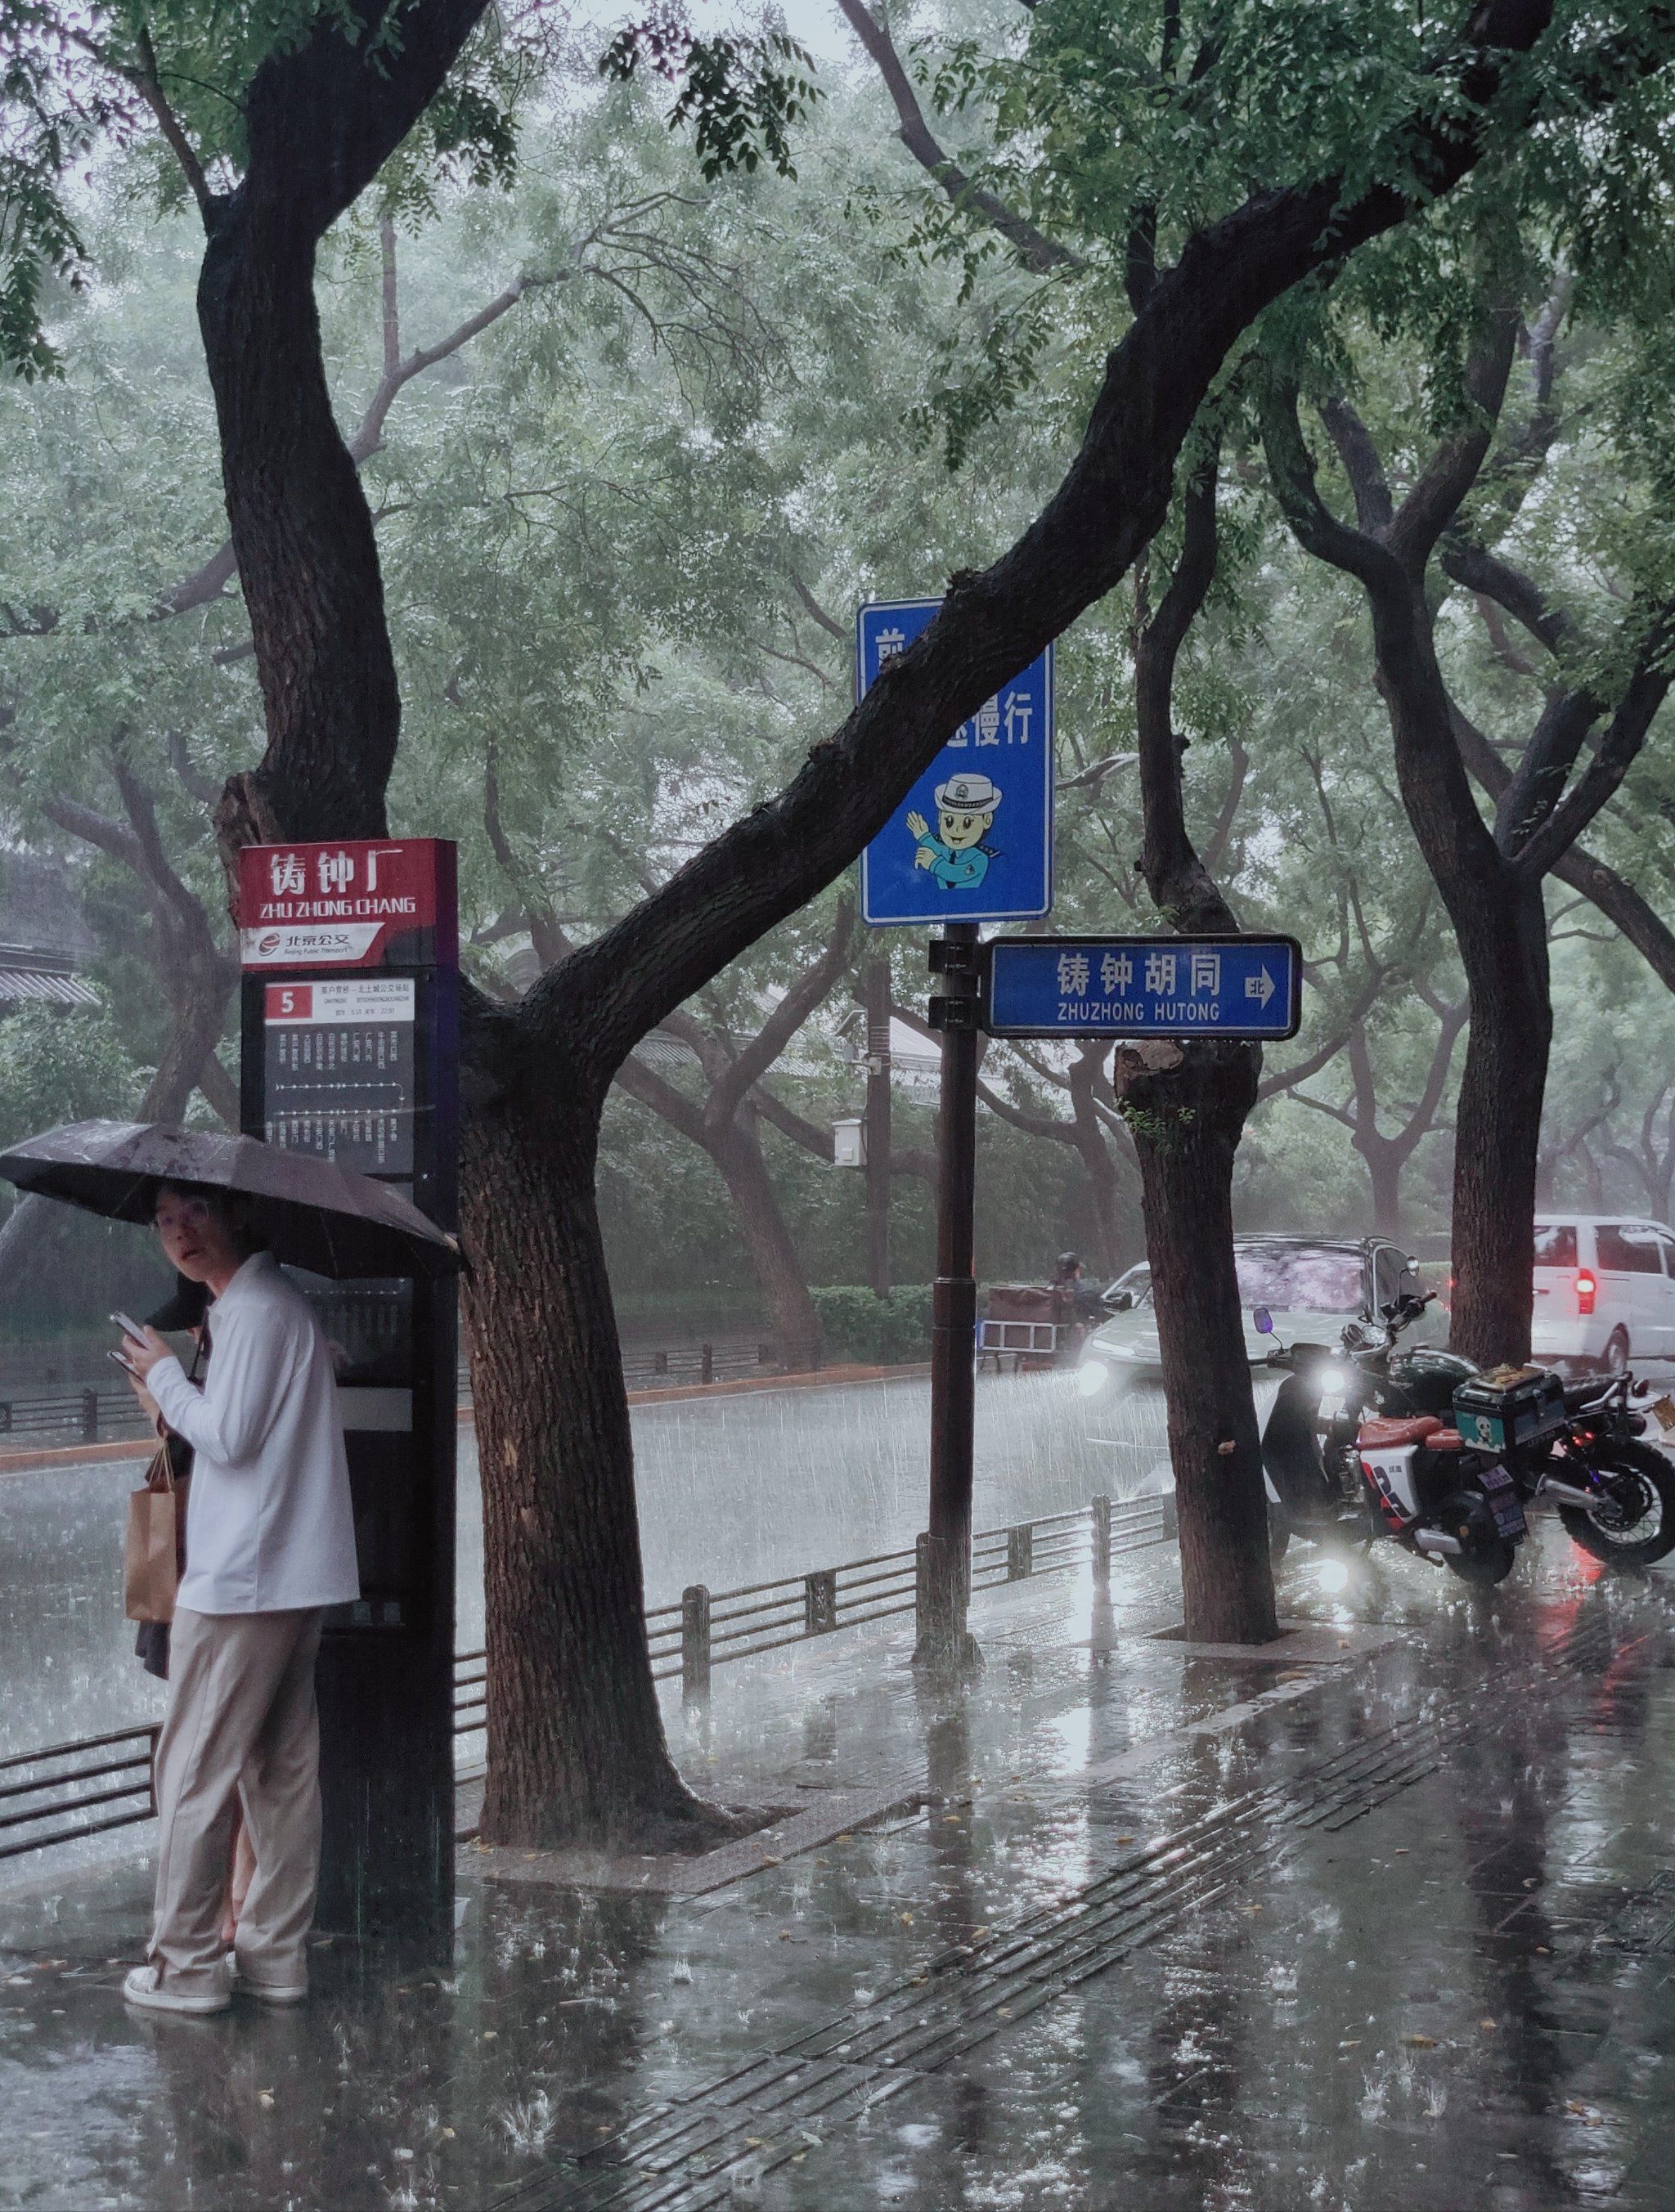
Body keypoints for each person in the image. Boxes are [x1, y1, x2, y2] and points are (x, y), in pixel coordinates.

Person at [116, 1180, 359, 2017]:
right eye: (164, 1219)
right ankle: (273, 1955)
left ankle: (185, 1966)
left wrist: (163, 1374)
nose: (179, 1231)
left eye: (195, 1211)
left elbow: (228, 1436)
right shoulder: (270, 1307)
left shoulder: (254, 1310)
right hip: (290, 1574)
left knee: (192, 1769)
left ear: (236, 1215)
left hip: (241, 1580)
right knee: (280, 1774)